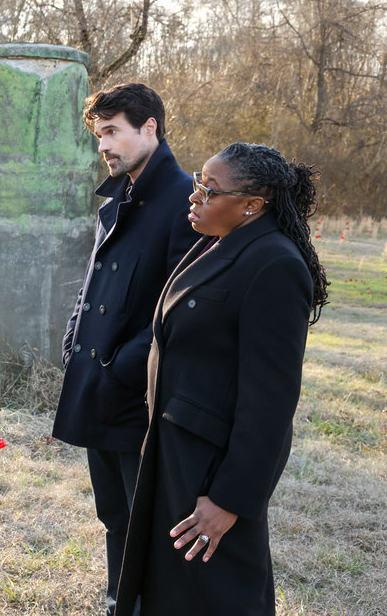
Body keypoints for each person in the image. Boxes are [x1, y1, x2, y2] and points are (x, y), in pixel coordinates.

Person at [114, 143, 328, 616]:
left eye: (208, 190)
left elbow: (270, 403)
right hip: (175, 451)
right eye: (196, 182)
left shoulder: (274, 265)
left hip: (211, 469)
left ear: (253, 203)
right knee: (172, 592)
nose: (194, 197)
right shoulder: (218, 242)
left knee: (220, 595)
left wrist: (229, 499)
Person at [51, 83, 199, 615]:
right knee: (113, 514)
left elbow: (178, 308)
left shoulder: (187, 203)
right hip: (96, 383)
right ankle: (118, 604)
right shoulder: (115, 196)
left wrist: (121, 367)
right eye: (98, 136)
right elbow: (92, 285)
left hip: (141, 395)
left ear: (150, 127)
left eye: (112, 131)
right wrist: (72, 339)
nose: (104, 147)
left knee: (146, 521)